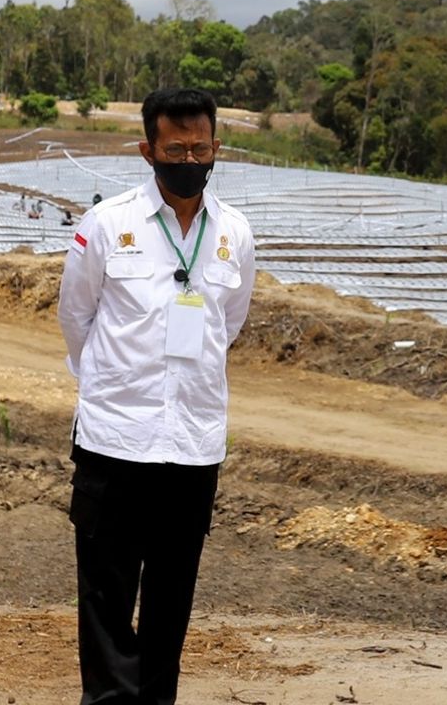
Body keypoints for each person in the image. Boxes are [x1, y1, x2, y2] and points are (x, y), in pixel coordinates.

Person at [58, 87, 256, 705]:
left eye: (201, 147)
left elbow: (232, 322)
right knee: (107, 596)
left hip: (193, 447)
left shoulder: (235, 233)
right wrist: (111, 389)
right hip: (116, 440)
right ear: (149, 150)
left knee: (173, 597)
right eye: (177, 147)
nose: (190, 158)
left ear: (217, 147)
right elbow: (76, 319)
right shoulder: (108, 224)